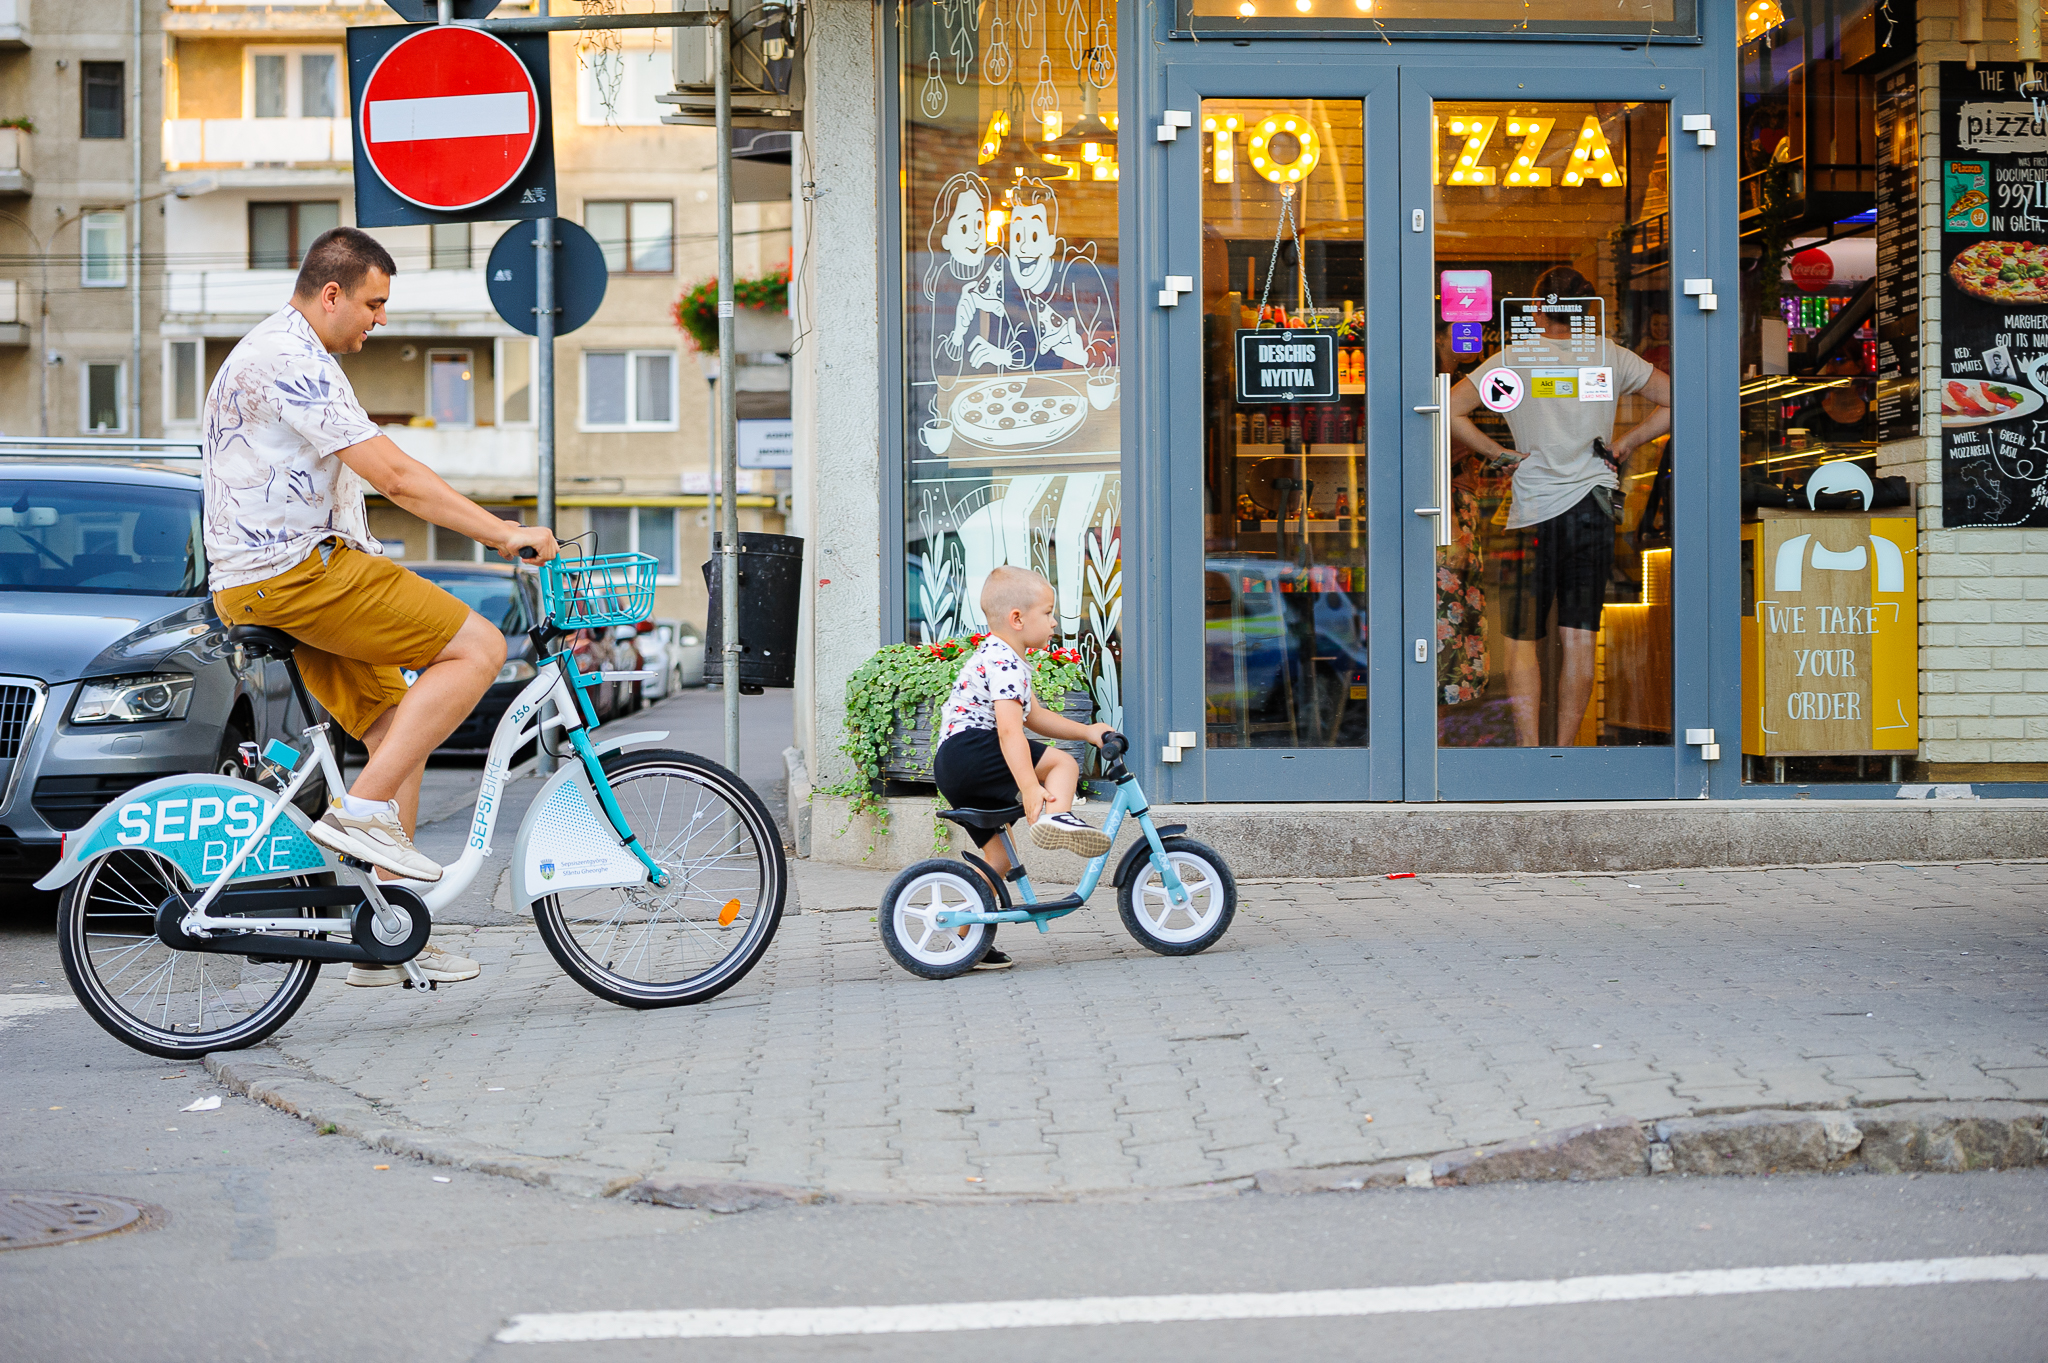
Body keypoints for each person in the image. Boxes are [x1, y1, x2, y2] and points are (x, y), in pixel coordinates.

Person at [202, 227, 560, 986]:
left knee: (399, 724)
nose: (381, 319)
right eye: (374, 303)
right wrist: (503, 533)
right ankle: (361, 816)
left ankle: (382, 932)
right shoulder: (291, 359)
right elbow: (396, 477)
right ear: (331, 294)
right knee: (479, 647)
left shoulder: (285, 351)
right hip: (296, 572)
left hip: (269, 576)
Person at [1447, 266, 1671, 747]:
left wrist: (1498, 455)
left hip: (1533, 514)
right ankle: (1565, 752)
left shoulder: (1516, 359)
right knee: (1580, 636)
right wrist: (1627, 442)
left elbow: (1449, 409)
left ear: (1536, 308)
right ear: (1588, 310)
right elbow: (1677, 398)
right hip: (1593, 509)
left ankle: (1531, 751)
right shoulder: (1609, 356)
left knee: (1522, 639)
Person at [932, 567, 1114, 969]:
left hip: (956, 763)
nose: (1054, 623)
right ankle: (1057, 817)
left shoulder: (1001, 657)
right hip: (971, 752)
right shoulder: (1005, 661)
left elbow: (1034, 717)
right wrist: (1031, 787)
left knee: (997, 863)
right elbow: (1010, 733)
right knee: (1062, 763)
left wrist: (1088, 731)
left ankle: (965, 940)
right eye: (1048, 613)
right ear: (1018, 618)